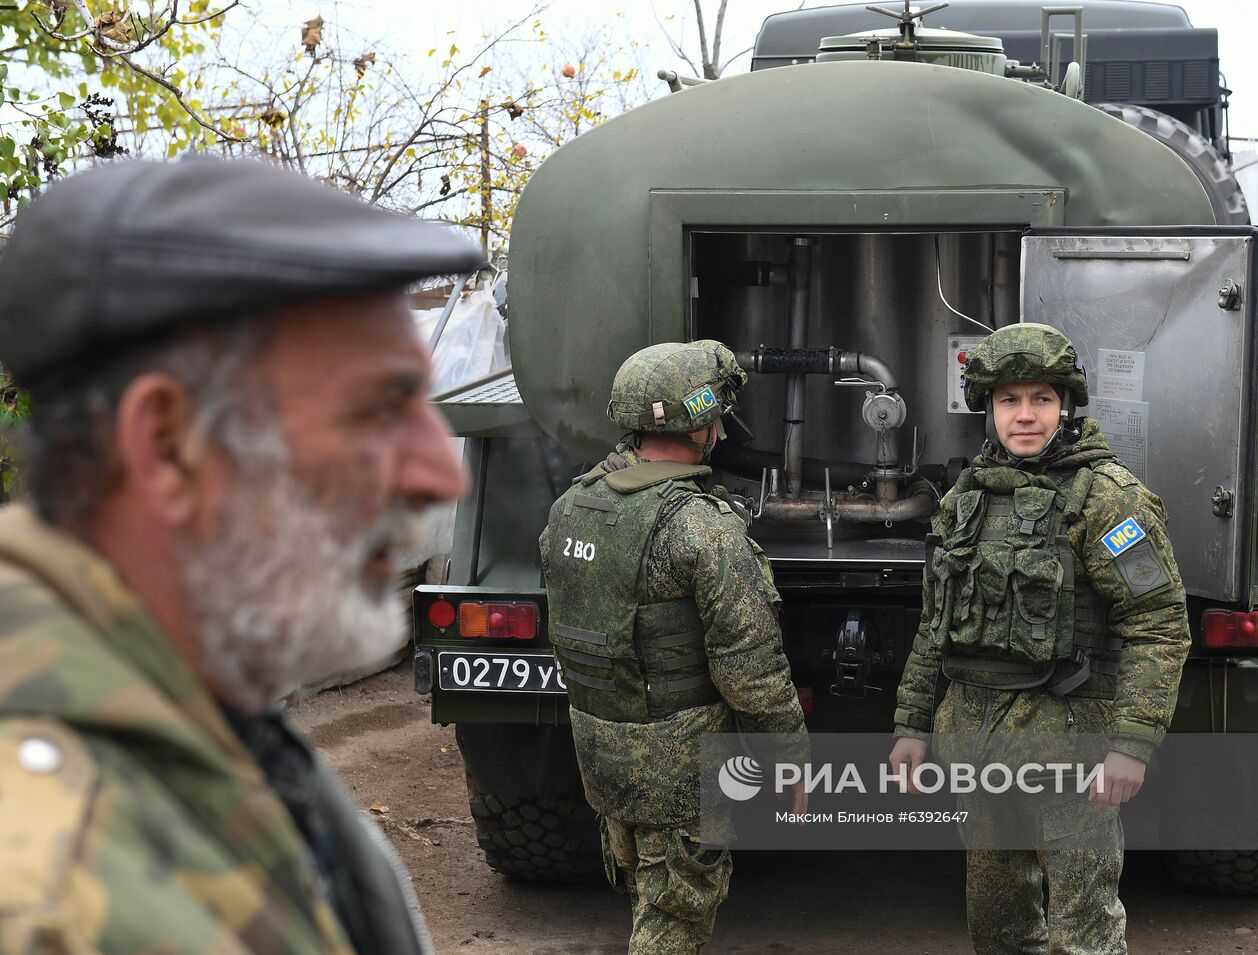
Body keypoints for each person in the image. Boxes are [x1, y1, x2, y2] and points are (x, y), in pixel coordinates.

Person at [0, 157, 484, 953]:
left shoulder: (206, 712)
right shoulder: (45, 896)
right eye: (380, 409)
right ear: (167, 444)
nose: (439, 473)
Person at [889, 323, 1189, 955]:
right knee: (998, 926)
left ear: (1066, 405)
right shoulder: (966, 498)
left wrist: (1132, 745)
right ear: (989, 408)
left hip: (1071, 745)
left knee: (1084, 929)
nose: (1024, 416)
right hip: (975, 746)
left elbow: (1157, 624)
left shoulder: (1108, 500)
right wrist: (912, 727)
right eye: (1008, 401)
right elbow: (934, 622)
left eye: (1041, 400)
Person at [539, 340, 809, 954]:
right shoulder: (701, 527)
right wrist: (789, 757)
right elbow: (751, 670)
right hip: (679, 766)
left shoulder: (571, 507)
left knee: (645, 894)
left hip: (603, 749)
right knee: (675, 919)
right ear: (706, 424)